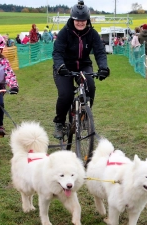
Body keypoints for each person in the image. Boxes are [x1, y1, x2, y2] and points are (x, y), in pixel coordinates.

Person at [52, 0, 110, 139]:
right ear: (72, 19)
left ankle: (84, 115)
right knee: (66, 95)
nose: (80, 23)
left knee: (90, 86)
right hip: (64, 67)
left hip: (83, 66)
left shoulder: (92, 34)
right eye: (77, 20)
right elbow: (57, 52)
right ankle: (59, 123)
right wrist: (60, 67)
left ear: (87, 20)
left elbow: (100, 52)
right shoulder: (64, 32)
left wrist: (103, 68)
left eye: (83, 20)